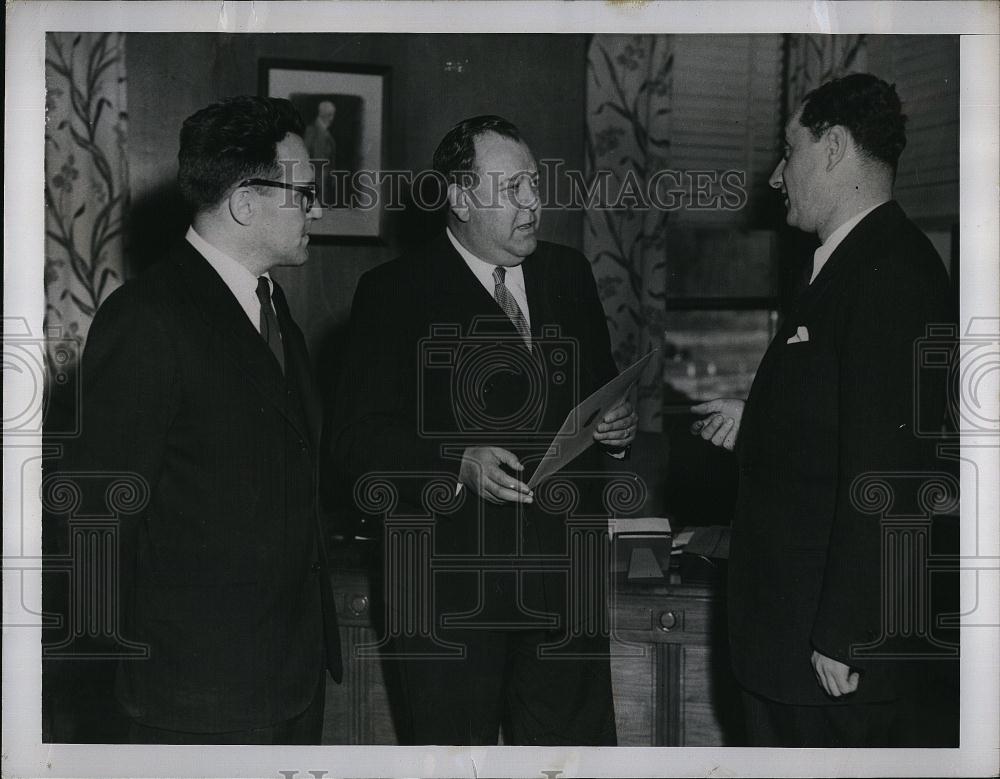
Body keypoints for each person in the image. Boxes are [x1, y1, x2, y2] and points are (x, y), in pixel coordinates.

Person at [330, 115, 637, 745]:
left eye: (535, 183)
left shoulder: (569, 274)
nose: (533, 202)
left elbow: (600, 393)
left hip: (564, 586)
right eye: (512, 188)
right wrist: (455, 463)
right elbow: (355, 444)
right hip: (447, 595)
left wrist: (617, 426)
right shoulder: (392, 293)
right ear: (461, 199)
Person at [691, 74, 954, 746]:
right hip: (792, 645)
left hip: (830, 660)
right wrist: (759, 422)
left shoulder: (891, 272)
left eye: (789, 151)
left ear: (833, 147)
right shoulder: (850, 264)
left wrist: (848, 633)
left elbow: (894, 470)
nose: (776, 176)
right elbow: (847, 422)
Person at [71, 96, 342, 744]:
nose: (318, 211)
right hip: (190, 695)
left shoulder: (274, 311)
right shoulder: (147, 318)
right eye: (305, 195)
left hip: (289, 680)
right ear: (245, 202)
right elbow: (95, 517)